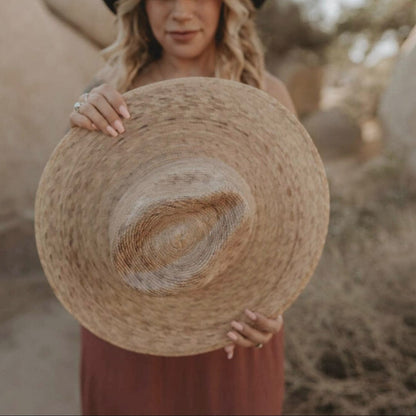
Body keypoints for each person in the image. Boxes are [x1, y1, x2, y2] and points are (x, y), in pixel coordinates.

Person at [69, 0, 297, 414]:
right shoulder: (112, 89)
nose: (181, 12)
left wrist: (278, 304)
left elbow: (291, 223)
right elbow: (76, 211)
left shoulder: (266, 94)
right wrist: (82, 118)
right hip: (129, 327)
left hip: (233, 328)